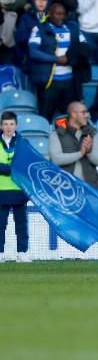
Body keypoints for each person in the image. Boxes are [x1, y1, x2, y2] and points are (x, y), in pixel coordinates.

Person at [28, 1, 89, 121]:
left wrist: (71, 58)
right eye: (58, 14)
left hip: (70, 82)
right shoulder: (40, 28)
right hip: (49, 82)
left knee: (71, 119)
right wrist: (56, 59)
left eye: (63, 14)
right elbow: (32, 52)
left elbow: (85, 47)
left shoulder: (73, 27)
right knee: (45, 117)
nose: (61, 17)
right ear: (49, 14)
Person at [49, 101, 98, 188]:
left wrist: (89, 151)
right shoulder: (57, 134)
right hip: (64, 188)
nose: (87, 115)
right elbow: (56, 159)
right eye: (84, 112)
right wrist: (80, 153)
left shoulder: (92, 133)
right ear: (73, 114)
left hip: (89, 188)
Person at [0, 112, 30, 263]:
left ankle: (22, 253)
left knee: (21, 224)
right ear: (1, 126)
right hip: (1, 191)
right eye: (5, 124)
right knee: (0, 225)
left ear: (16, 125)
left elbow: (26, 165)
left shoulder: (23, 142)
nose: (8, 127)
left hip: (20, 190)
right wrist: (12, 168)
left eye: (11, 124)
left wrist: (6, 168)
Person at [14, 0, 50, 70]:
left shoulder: (51, 18)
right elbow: (20, 38)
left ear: (48, 2)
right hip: (29, 60)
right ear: (33, 1)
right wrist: (35, 35)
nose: (41, 2)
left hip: (48, 59)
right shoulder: (25, 17)